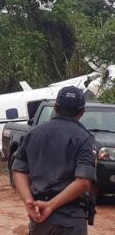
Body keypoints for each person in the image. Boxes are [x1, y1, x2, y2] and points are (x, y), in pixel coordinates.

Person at [12, 86, 96, 235]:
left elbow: (18, 170)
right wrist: (50, 205)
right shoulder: (84, 138)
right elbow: (83, 181)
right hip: (70, 220)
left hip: (40, 219)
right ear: (82, 112)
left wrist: (28, 201)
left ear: (56, 107)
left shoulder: (34, 133)